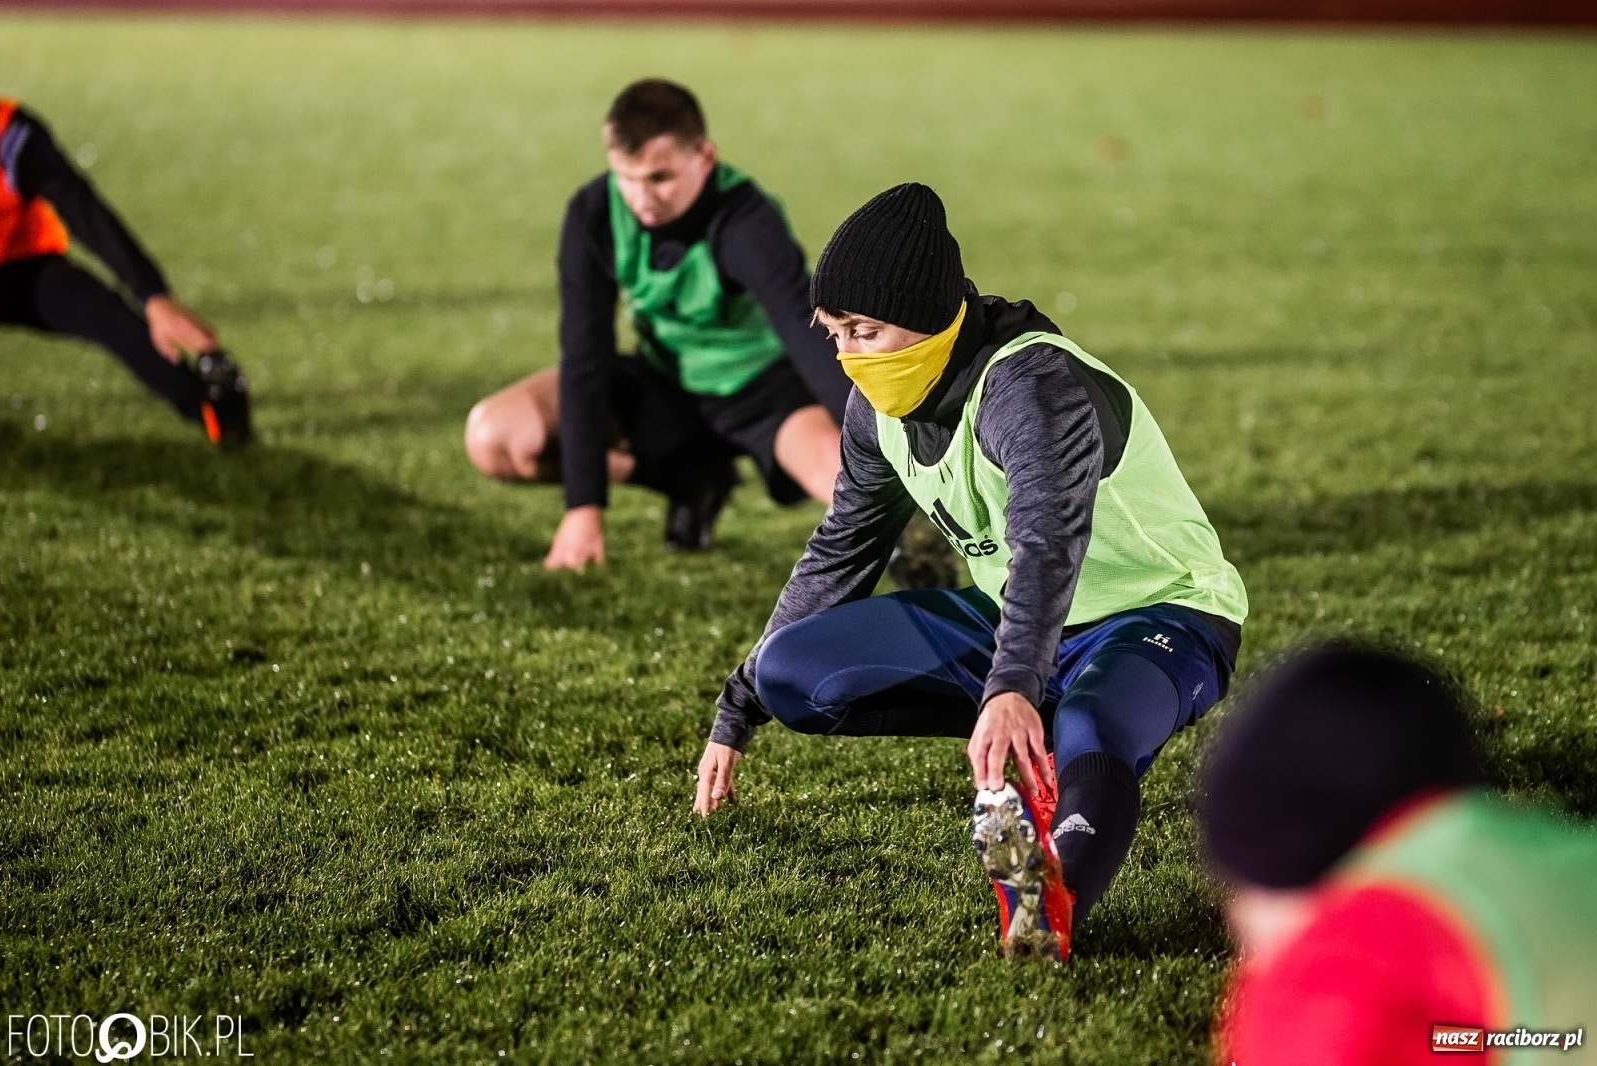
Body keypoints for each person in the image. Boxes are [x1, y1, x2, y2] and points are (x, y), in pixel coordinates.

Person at [692, 183, 1249, 964]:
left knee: (1092, 725)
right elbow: (842, 548)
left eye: (867, 331)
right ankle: (1028, 735)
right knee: (792, 672)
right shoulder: (874, 407)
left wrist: (1012, 682)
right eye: (835, 333)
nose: (849, 356)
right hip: (1015, 616)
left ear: (930, 318)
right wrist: (738, 708)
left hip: (1160, 614)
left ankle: (1044, 911)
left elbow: (1050, 544)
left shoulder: (1031, 386)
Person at [465, 79, 850, 568]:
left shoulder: (744, 218)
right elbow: (586, 357)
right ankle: (693, 478)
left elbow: (807, 330)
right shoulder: (594, 214)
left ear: (705, 157)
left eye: (660, 177)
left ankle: (921, 559)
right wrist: (583, 506)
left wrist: (877, 440)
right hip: (663, 384)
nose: (642, 197)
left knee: (849, 479)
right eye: (627, 177)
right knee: (495, 437)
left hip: (762, 390)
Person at [1200, 643, 1597, 1066]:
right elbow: (1544, 1039)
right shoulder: (1555, 851)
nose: (1237, 924)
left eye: (1239, 891)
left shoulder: (1332, 973)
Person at [0, 100, 251, 445]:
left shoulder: (9, 131)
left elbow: (82, 209)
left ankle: (209, 407)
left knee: (106, 315)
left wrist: (153, 296)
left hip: (15, 265)